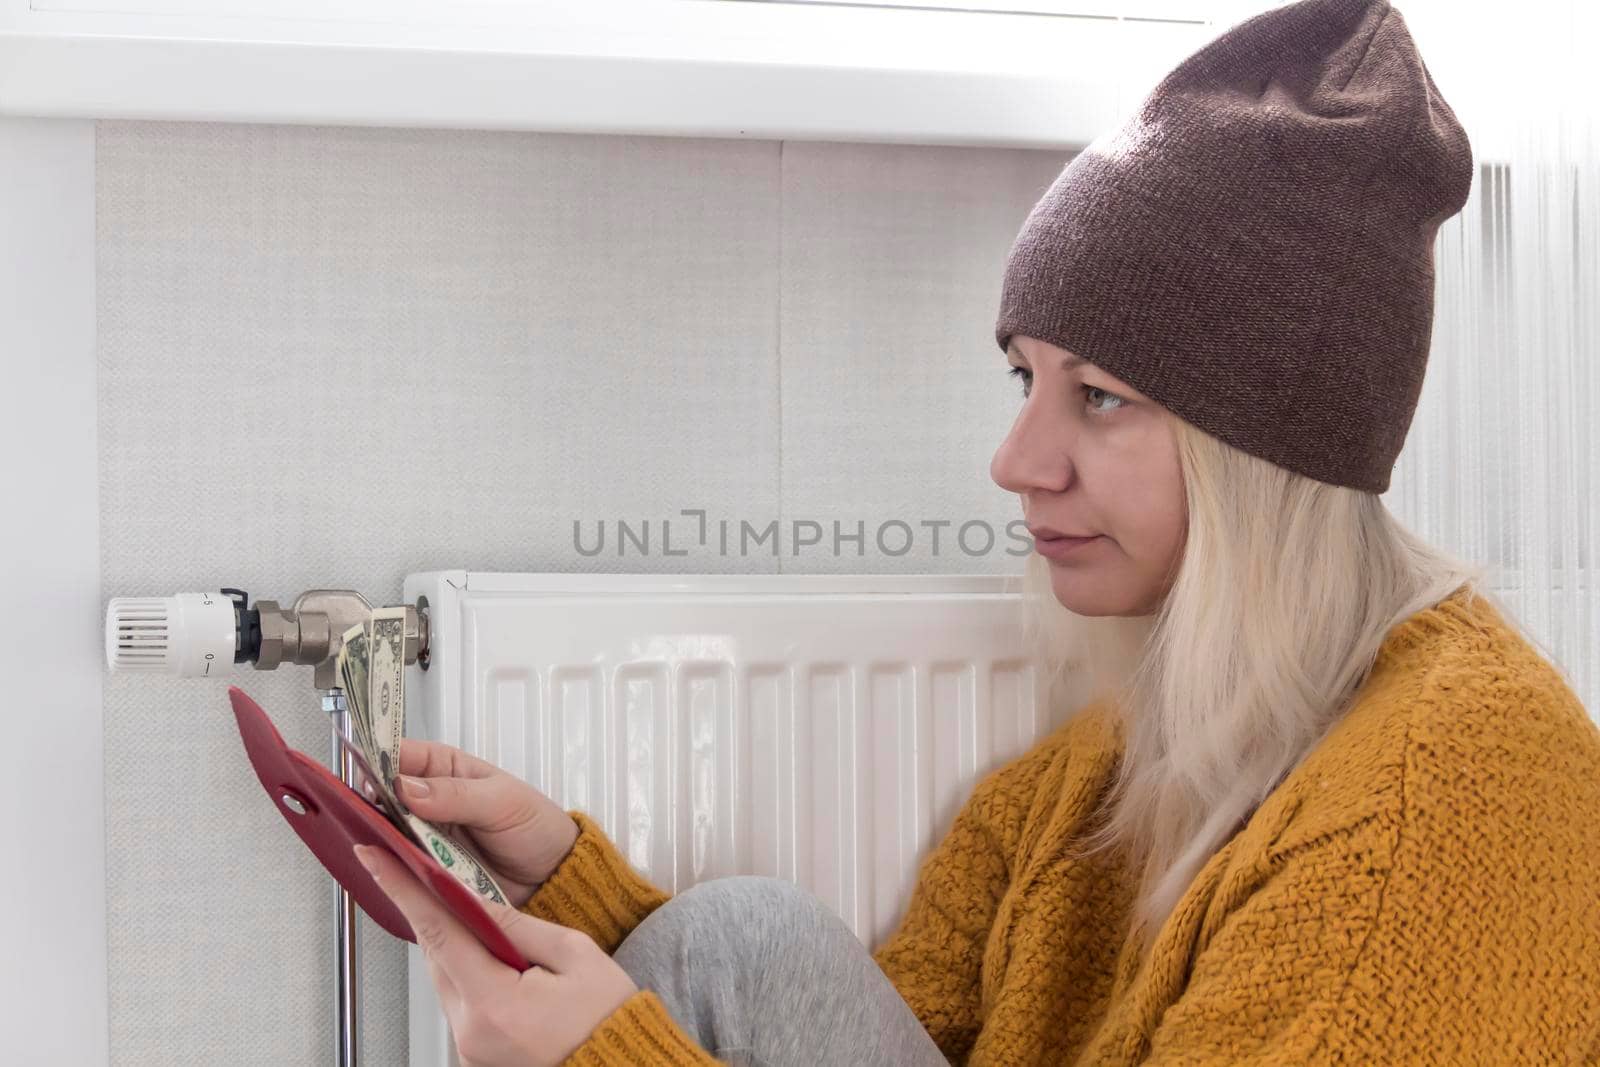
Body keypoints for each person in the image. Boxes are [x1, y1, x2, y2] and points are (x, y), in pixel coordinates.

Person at [355, 0, 1600, 1062]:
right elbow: (876, 1028)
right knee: (749, 932)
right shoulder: (1102, 773)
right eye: (1026, 379)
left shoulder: (1445, 800)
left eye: (1100, 395)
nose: (1015, 463)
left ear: (1265, 444)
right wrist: (572, 888)